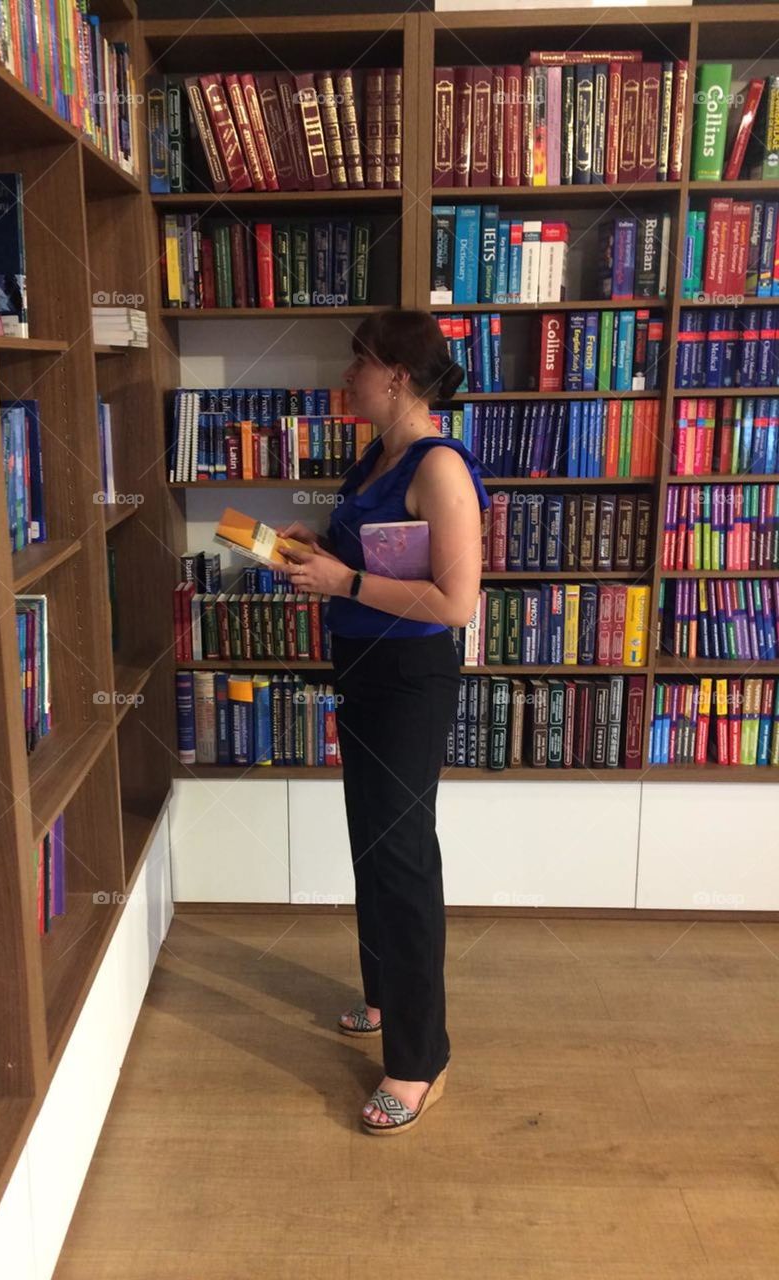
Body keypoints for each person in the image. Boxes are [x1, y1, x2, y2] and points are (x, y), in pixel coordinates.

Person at [278, 308, 491, 1135]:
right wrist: (312, 546)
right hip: (363, 672)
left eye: (356, 363)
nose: (345, 377)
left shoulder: (438, 466)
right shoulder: (380, 455)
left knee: (402, 856)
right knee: (370, 837)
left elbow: (455, 601)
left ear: (397, 376)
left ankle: (419, 1060)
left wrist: (343, 584)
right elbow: (370, 551)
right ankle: (382, 995)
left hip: (409, 680)